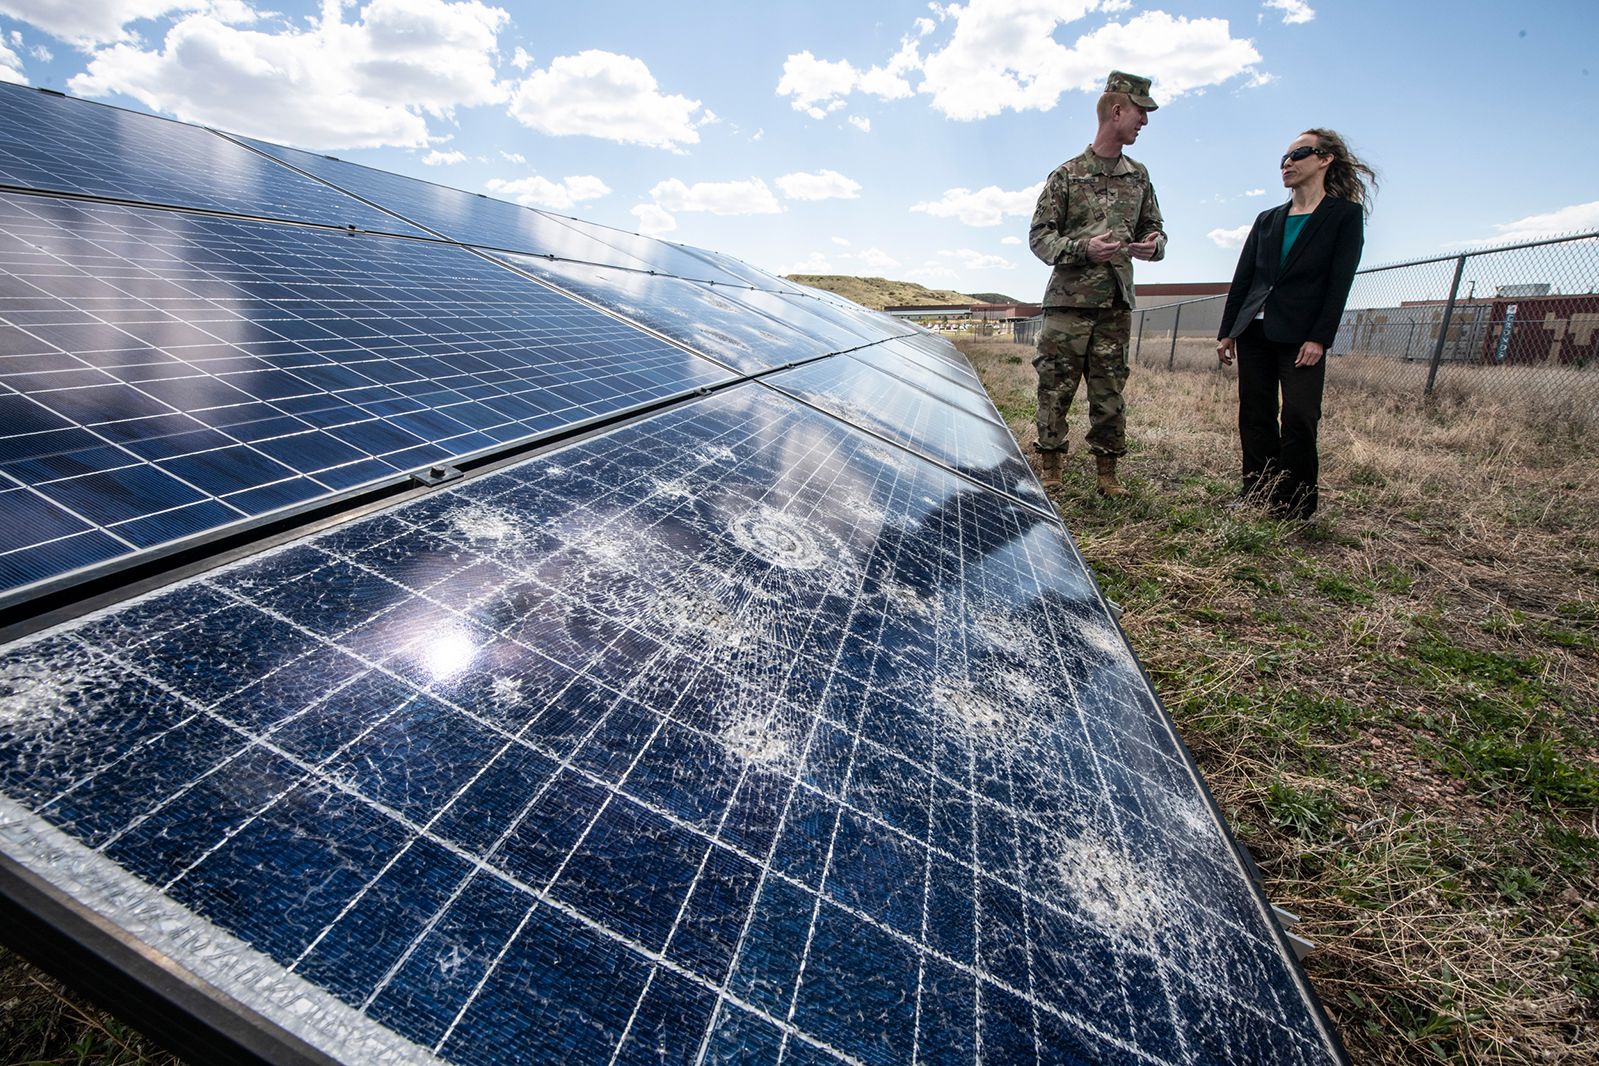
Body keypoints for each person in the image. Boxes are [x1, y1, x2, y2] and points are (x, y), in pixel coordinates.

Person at [1216, 128, 1376, 519]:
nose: (1288, 163)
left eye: (1299, 153)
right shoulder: (1268, 219)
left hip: (1302, 337)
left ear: (1325, 159)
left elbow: (1339, 282)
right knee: (1255, 413)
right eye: (1284, 158)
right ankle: (1258, 491)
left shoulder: (1343, 217)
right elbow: (1244, 278)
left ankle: (1296, 503)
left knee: (1301, 416)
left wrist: (1319, 337)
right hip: (1254, 329)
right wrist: (1227, 330)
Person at [1028, 70, 1166, 497]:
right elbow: (1040, 238)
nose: (1144, 121)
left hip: (1114, 306)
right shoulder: (1067, 176)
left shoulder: (1139, 176)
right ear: (1117, 110)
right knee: (1055, 387)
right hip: (1068, 306)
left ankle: (1108, 475)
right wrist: (1083, 249)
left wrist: (1153, 244)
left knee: (1109, 392)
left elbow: (1156, 230)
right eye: (1140, 112)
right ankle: (1051, 468)